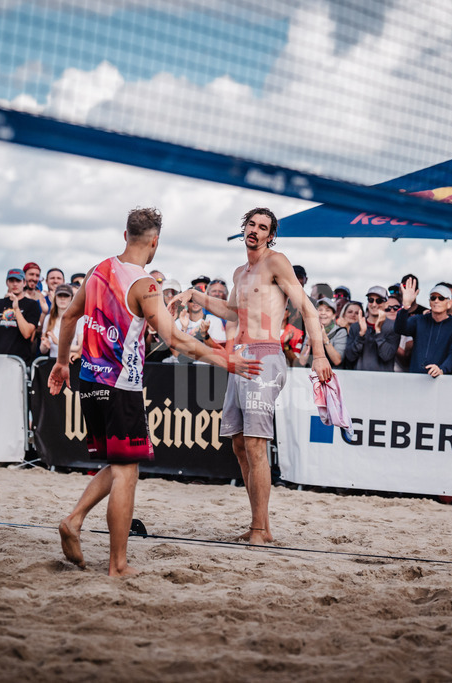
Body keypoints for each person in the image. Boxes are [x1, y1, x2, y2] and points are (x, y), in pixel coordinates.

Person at [47, 207, 261, 576]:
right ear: (155, 241)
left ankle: (75, 519)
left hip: (89, 379)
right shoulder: (145, 284)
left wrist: (63, 362)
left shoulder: (99, 270)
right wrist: (223, 360)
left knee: (118, 464)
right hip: (120, 384)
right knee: (127, 472)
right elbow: (175, 337)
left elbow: (68, 317)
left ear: (125, 234)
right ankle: (117, 564)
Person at [173, 207, 332, 545]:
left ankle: (260, 529)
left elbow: (306, 307)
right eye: (251, 224)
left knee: (256, 443)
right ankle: (260, 525)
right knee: (240, 444)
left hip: (266, 355)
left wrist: (318, 355)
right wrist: (195, 294)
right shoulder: (239, 272)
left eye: (263, 227)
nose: (255, 231)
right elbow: (231, 310)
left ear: (270, 235)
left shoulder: (276, 261)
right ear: (243, 228)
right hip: (241, 356)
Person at [394, 284, 452, 376]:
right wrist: (406, 306)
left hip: (442, 379)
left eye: (441, 298)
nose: (436, 301)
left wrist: (442, 369)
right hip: (416, 378)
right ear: (429, 302)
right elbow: (400, 329)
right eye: (433, 298)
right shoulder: (419, 320)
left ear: (449, 303)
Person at [0, 268, 41, 365]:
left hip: (19, 361)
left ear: (24, 283)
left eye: (18, 281)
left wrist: (17, 309)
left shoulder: (32, 305)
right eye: (11, 281)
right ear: (7, 283)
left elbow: (27, 333)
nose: (15, 284)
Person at [345, 285, 400, 371]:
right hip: (359, 379)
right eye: (371, 300)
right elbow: (350, 357)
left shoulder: (393, 327)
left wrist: (378, 332)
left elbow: (386, 356)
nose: (374, 304)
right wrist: (361, 335)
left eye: (379, 301)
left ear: (386, 304)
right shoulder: (356, 326)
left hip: (383, 380)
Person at [297, 298, 347, 368]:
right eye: (320, 310)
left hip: (332, 374)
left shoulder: (340, 331)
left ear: (333, 316)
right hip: (312, 374)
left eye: (327, 310)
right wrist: (309, 340)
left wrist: (325, 338)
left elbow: (337, 361)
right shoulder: (311, 330)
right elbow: (302, 360)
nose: (323, 313)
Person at [39, 283, 77, 359]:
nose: (62, 298)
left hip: (72, 363)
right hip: (52, 362)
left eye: (66, 295)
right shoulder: (48, 318)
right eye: (60, 295)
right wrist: (44, 345)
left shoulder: (78, 319)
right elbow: (43, 350)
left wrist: (58, 342)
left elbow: (80, 348)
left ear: (71, 298)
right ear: (55, 298)